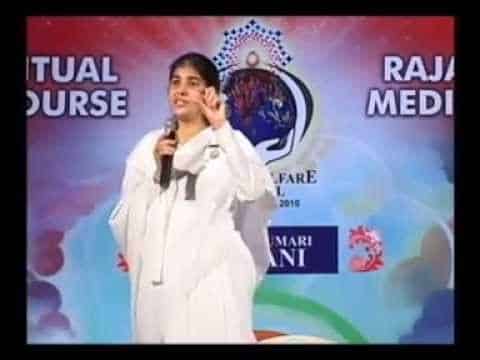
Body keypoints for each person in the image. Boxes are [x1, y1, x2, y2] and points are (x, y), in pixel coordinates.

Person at [108, 52, 278, 344]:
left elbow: (254, 191)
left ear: (210, 91)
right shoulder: (150, 146)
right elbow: (125, 218)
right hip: (158, 285)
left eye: (192, 82)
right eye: (175, 82)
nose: (181, 90)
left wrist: (221, 128)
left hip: (212, 277)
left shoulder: (229, 143)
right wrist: (155, 171)